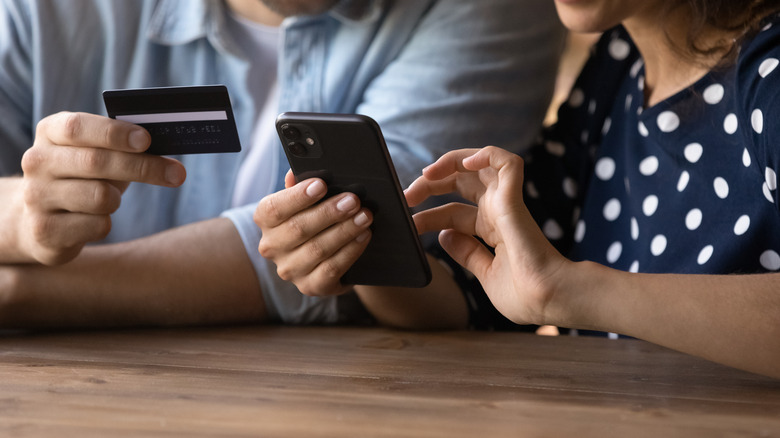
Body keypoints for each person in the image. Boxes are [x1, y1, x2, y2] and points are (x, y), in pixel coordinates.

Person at [260, 0, 780, 378]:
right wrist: (360, 248)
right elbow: (485, 298)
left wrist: (572, 292)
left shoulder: (769, 74)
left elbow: (549, 289)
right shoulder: (620, 61)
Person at [0, 0, 564, 329]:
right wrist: (21, 220)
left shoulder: (496, 10)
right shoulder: (39, 12)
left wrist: (24, 294)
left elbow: (385, 226)